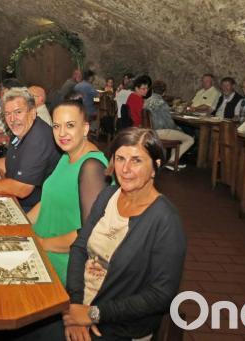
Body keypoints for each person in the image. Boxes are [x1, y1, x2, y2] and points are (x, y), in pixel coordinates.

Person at [62, 128, 187, 340]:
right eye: (120, 158)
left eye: (136, 160)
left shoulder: (165, 220)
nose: (125, 169)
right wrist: (76, 306)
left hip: (119, 327)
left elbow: (161, 295)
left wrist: (93, 314)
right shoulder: (108, 195)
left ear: (155, 167)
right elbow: (80, 247)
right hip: (80, 307)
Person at [28, 100, 108, 285]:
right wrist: (21, 224)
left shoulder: (92, 167)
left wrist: (42, 243)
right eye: (56, 126)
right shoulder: (67, 155)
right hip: (40, 253)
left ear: (86, 128)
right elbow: (48, 200)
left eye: (70, 125)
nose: (62, 133)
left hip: (61, 265)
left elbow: (91, 233)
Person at [144, 80, 193, 171]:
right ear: (164, 92)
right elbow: (169, 123)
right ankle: (171, 162)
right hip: (159, 132)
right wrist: (178, 129)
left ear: (152, 90)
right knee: (190, 139)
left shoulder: (146, 101)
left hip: (149, 131)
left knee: (177, 134)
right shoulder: (162, 103)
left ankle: (174, 161)